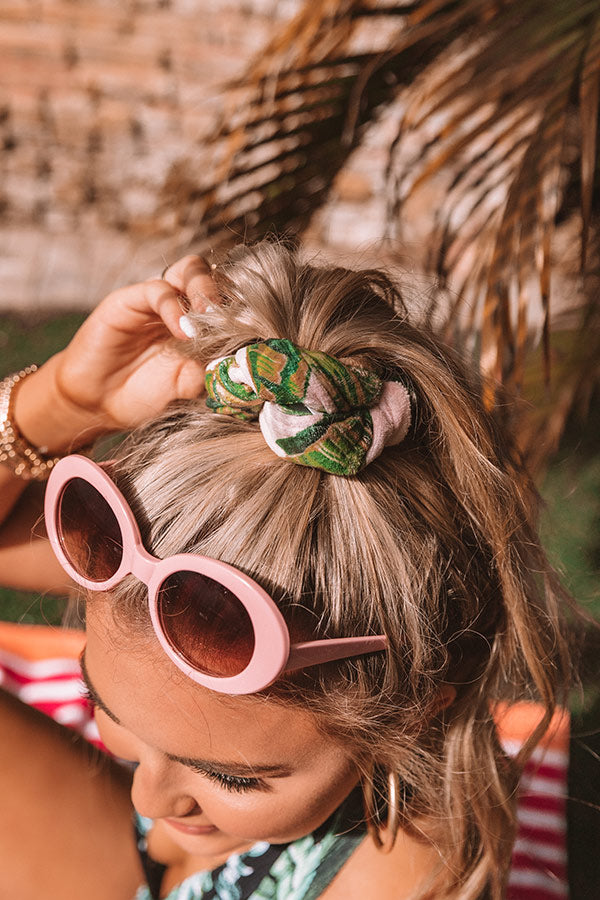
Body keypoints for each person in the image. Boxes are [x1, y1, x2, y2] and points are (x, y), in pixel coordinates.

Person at [0, 244, 573, 900]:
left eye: (236, 777)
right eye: (106, 708)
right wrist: (63, 400)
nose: (147, 798)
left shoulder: (404, 878)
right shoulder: (160, 581)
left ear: (409, 715)